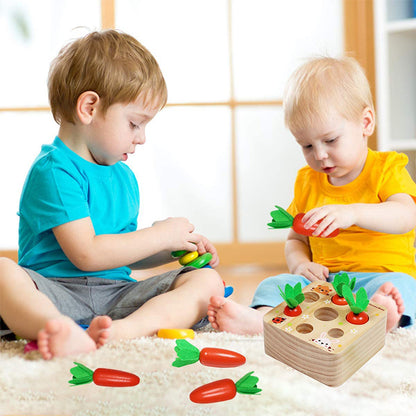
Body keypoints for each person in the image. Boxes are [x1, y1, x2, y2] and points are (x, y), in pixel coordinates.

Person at [0, 30, 224, 359]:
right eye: (135, 124)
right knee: (3, 272)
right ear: (89, 107)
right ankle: (55, 328)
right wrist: (158, 234)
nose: (142, 138)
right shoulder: (54, 172)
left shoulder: (123, 176)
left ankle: (123, 331)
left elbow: (121, 253)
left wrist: (170, 248)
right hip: (55, 293)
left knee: (207, 281)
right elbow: (87, 254)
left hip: (116, 296)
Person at [208, 56, 416, 335]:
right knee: (274, 285)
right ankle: (263, 321)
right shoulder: (307, 181)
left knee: (404, 287)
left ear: (366, 123)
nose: (319, 155)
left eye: (330, 140)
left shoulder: (386, 169)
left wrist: (352, 213)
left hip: (380, 278)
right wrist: (301, 264)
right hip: (326, 284)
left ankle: (379, 316)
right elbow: (296, 238)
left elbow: (405, 215)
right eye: (306, 145)